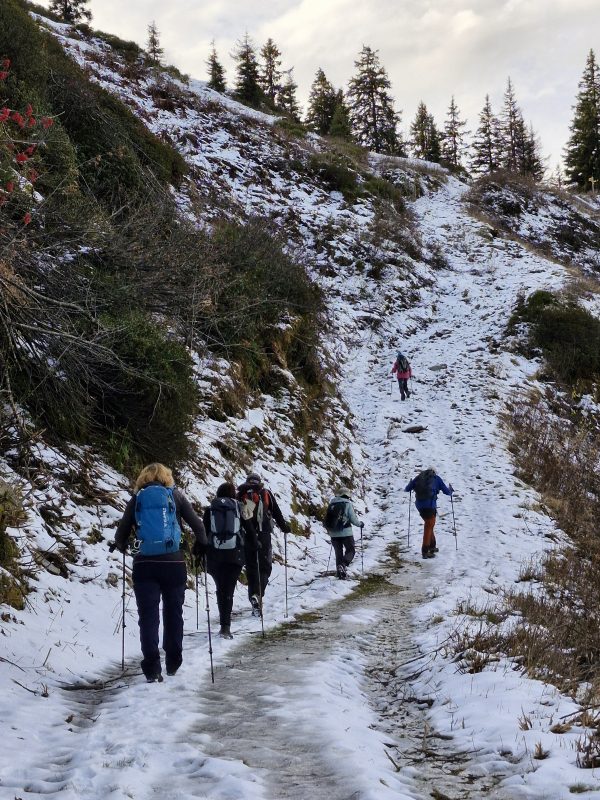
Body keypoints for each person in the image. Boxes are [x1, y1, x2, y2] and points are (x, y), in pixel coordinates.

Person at [111, 462, 207, 682]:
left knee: (148, 617)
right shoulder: (176, 496)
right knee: (173, 613)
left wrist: (128, 546)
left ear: (142, 478)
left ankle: (152, 667)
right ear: (167, 477)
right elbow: (198, 527)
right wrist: (201, 546)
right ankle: (173, 660)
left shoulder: (137, 499)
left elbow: (120, 536)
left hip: (144, 565)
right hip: (173, 563)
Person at [202, 482, 258, 639]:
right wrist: (255, 544)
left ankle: (223, 625)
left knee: (221, 589)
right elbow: (249, 529)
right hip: (235, 555)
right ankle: (226, 627)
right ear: (233, 494)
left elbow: (204, 531)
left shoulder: (210, 510)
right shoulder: (240, 508)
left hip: (215, 556)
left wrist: (199, 550)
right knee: (229, 590)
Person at [237, 472, 290, 614]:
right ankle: (258, 594)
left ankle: (254, 599)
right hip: (263, 535)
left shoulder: (241, 494)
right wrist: (285, 528)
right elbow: (277, 512)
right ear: (259, 481)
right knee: (265, 568)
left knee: (251, 569)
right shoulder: (265, 493)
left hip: (247, 537)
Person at [404, 468, 453, 559]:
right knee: (429, 525)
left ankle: (432, 546)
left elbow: (407, 489)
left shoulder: (418, 478)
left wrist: (410, 483)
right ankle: (425, 551)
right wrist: (451, 490)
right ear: (434, 472)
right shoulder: (436, 478)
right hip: (430, 505)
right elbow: (447, 492)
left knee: (430, 524)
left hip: (419, 505)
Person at [324, 486, 363, 579]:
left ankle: (340, 573)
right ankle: (343, 565)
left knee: (338, 553)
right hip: (346, 532)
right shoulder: (347, 503)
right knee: (351, 550)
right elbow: (353, 519)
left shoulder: (331, 504)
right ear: (347, 495)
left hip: (333, 533)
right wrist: (360, 524)